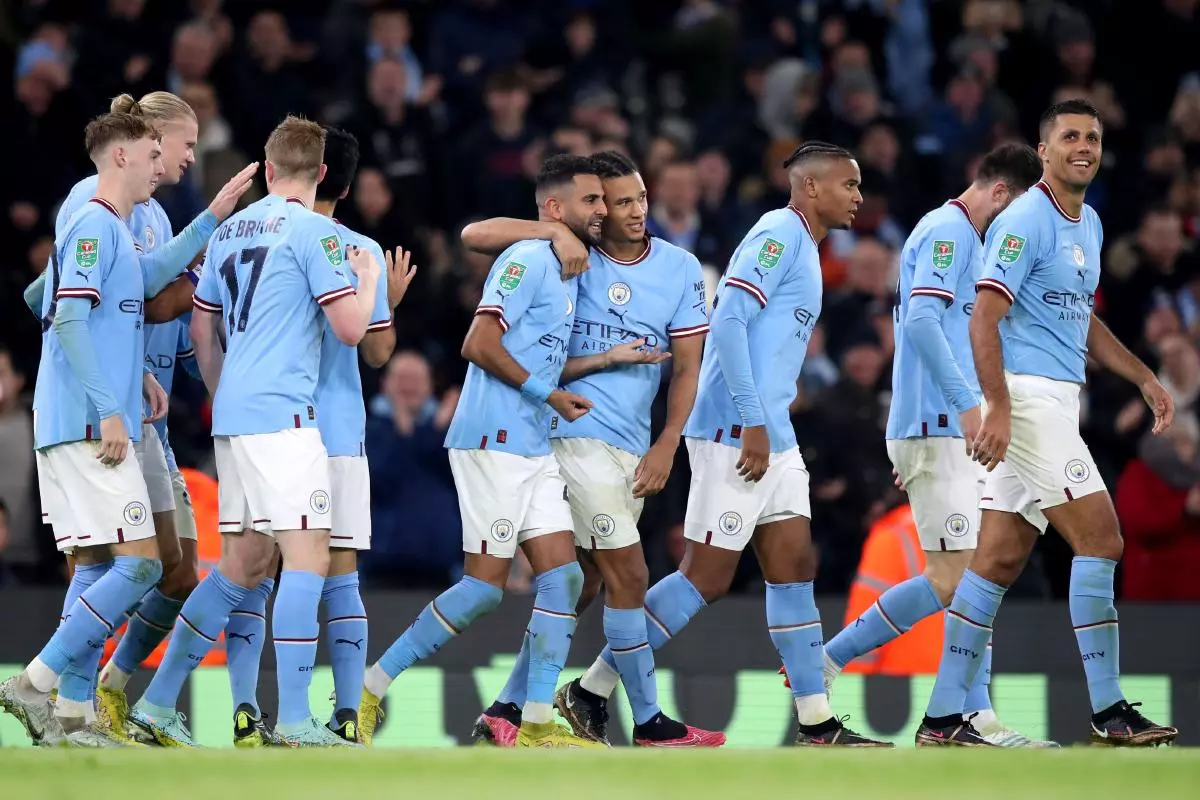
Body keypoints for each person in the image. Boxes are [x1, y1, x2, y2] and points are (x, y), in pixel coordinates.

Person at [555, 142, 889, 747]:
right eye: (849, 185)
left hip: (773, 433)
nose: (858, 198)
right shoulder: (777, 234)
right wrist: (754, 420)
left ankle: (816, 721)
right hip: (736, 430)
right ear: (811, 187)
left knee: (794, 569)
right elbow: (728, 321)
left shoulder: (806, 247)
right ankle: (591, 689)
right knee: (704, 577)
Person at [918, 99, 1179, 747]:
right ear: (1044, 150)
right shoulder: (1025, 219)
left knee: (997, 560)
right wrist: (1000, 406)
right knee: (1102, 540)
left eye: (1092, 137)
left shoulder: (1088, 223)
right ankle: (1109, 709)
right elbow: (983, 317)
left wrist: (1142, 376)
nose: (1083, 146)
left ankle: (942, 717)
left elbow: (1080, 318)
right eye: (1070, 137)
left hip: (1059, 400)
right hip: (1029, 401)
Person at [130, 116, 381, 748]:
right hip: (285, 417)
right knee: (308, 555)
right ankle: (295, 720)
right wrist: (371, 281)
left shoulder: (230, 229)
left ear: (267, 169)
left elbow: (200, 328)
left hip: (236, 420)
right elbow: (351, 330)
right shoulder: (316, 232)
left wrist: (222, 394)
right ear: (321, 173)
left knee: (240, 566)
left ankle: (155, 704)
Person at [459, 151, 722, 747]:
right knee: (630, 573)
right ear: (595, 208)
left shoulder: (680, 268)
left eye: (639, 198)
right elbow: (474, 234)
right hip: (572, 437)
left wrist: (667, 444)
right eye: (618, 201)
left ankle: (505, 710)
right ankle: (649, 722)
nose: (634, 211)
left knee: (585, 585)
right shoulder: (567, 252)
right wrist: (552, 229)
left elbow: (688, 369)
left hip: (632, 447)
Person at [24, 90, 256, 745]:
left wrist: (139, 366)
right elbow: (54, 302)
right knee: (119, 562)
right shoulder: (94, 207)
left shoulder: (146, 214)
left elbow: (139, 286)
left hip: (130, 410)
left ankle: (85, 701)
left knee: (167, 565)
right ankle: (59, 697)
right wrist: (109, 389)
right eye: (178, 146)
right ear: (141, 144)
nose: (181, 160)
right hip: (95, 416)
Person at [356, 155, 605, 749]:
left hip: (531, 441)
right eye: (591, 200)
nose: (600, 210)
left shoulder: (568, 266)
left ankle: (536, 722)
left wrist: (603, 363)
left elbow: (537, 351)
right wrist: (549, 393)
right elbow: (478, 342)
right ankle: (371, 686)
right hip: (492, 438)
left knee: (565, 580)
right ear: (555, 208)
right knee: (484, 589)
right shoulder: (528, 259)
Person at [817, 143, 1054, 746]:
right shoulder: (947, 232)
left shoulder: (967, 239)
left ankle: (971, 715)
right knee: (959, 578)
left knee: (971, 575)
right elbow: (922, 324)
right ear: (999, 192)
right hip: (941, 427)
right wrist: (961, 412)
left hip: (941, 430)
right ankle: (836, 665)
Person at [0, 111, 169, 747]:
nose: (159, 168)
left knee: (97, 566)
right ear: (121, 155)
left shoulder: (107, 229)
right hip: (86, 424)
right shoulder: (95, 225)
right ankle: (34, 683)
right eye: (152, 154)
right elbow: (68, 320)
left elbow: (59, 308)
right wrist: (109, 407)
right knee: (143, 566)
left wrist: (134, 376)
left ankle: (71, 717)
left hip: (74, 419)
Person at [310, 126, 414, 743]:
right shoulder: (362, 250)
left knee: (257, 573)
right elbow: (377, 352)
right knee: (339, 570)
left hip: (267, 426)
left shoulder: (259, 236)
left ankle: (260, 711)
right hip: (339, 429)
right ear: (347, 186)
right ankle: (348, 713)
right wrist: (386, 302)